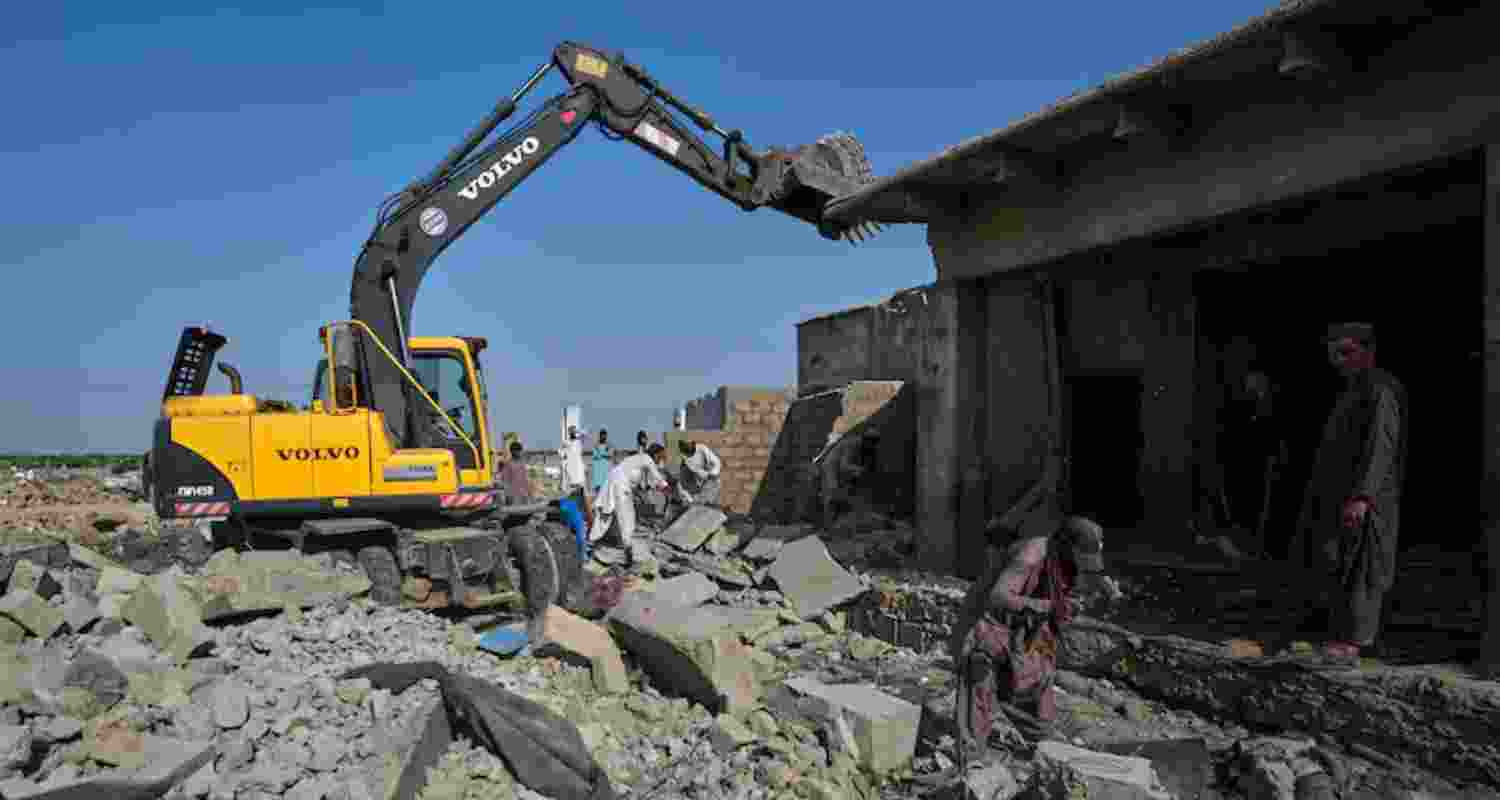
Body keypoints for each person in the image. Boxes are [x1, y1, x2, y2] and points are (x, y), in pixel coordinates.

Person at [1286, 322, 1407, 663]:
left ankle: (1354, 641)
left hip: (1368, 498)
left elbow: (1381, 446)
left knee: (1364, 566)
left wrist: (1364, 496)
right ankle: (1341, 634)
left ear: (1368, 351)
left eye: (1346, 352)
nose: (1339, 361)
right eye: (1334, 354)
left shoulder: (1381, 389)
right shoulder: (1353, 390)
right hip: (1342, 495)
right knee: (1341, 563)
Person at [950, 515, 1110, 757]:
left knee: (1035, 681)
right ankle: (970, 757)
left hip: (1018, 626)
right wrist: (1049, 606)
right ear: (1067, 545)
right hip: (984, 620)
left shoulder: (1062, 562)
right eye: (1081, 556)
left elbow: (1065, 595)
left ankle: (1041, 742)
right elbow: (998, 597)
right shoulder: (1032, 554)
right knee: (981, 670)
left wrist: (1099, 592)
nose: (1082, 565)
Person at [589, 443, 672, 568]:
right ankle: (628, 552)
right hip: (620, 486)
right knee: (627, 517)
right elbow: (657, 478)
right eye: (661, 457)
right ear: (655, 454)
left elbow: (643, 483)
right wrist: (668, 490)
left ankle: (592, 541)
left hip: (614, 482)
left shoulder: (638, 459)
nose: (661, 460)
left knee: (607, 515)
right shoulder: (647, 459)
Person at [818, 425, 882, 527]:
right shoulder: (853, 444)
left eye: (874, 442)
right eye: (870, 441)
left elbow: (869, 469)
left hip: (843, 470)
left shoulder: (868, 449)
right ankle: (828, 524)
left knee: (845, 493)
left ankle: (837, 521)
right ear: (865, 439)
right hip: (831, 467)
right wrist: (859, 470)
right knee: (832, 494)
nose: (871, 445)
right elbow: (844, 465)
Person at [677, 439, 723, 506]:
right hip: (702, 485)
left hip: (711, 480)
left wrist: (712, 474)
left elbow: (716, 462)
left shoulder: (702, 449)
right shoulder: (686, 460)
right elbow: (697, 470)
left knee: (710, 500)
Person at [558, 425, 585, 495]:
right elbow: (560, 450)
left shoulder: (579, 440)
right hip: (570, 465)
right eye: (571, 431)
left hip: (578, 464)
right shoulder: (566, 442)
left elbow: (585, 434)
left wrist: (577, 431)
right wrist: (563, 455)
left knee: (579, 483)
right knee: (571, 483)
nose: (573, 432)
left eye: (574, 431)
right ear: (569, 432)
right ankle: (570, 495)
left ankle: (579, 496)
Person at [590, 430, 612, 497]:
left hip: (605, 468)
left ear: (606, 436)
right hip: (597, 469)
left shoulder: (609, 445)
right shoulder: (595, 445)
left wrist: (602, 453)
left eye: (605, 436)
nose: (603, 437)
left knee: (605, 486)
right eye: (602, 436)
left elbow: (610, 455)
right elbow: (595, 456)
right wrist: (603, 454)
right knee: (597, 486)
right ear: (599, 436)